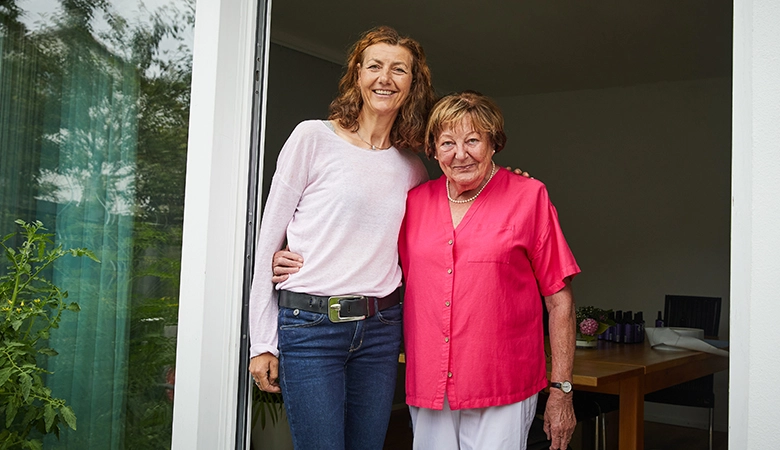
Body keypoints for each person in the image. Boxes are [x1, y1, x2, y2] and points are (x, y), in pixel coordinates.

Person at [248, 26, 435, 450]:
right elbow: (267, 240)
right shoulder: (312, 138)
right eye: (374, 66)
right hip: (311, 327)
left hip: (382, 329)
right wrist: (262, 341)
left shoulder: (413, 168)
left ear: (413, 84)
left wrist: (505, 184)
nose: (385, 78)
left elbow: (450, 220)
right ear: (357, 75)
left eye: (399, 69)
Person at [397, 91, 578, 450]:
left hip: (502, 382)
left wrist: (561, 390)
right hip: (430, 383)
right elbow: (370, 260)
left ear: (494, 143)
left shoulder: (529, 196)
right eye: (447, 142)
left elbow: (560, 302)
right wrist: (299, 254)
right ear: (432, 150)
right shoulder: (414, 202)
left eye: (473, 140)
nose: (460, 154)